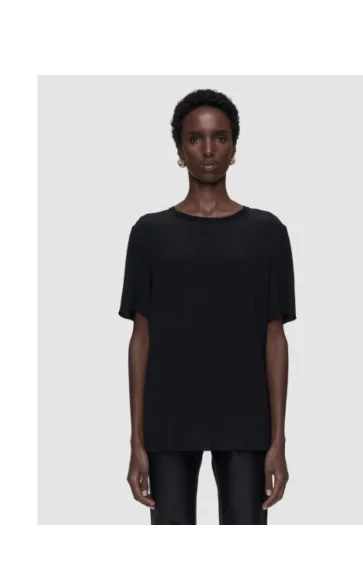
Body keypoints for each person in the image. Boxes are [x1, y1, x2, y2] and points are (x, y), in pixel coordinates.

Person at [118, 88, 297, 525]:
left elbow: (275, 338)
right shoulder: (149, 234)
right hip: (168, 421)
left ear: (234, 146)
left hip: (246, 421)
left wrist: (278, 441)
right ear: (180, 149)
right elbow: (141, 339)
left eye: (220, 137)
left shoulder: (268, 233)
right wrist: (137, 441)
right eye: (195, 138)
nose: (208, 149)